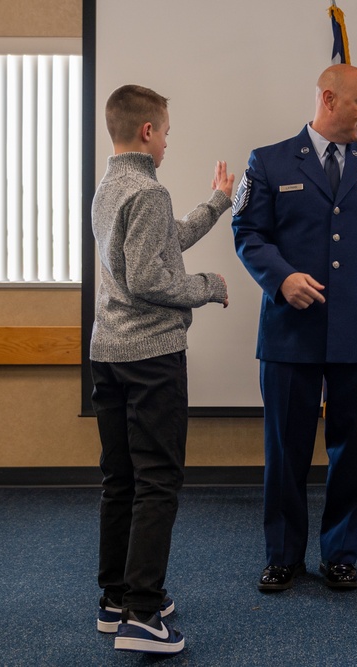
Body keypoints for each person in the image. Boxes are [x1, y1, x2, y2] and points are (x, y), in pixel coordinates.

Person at [232, 64, 357, 592]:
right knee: (285, 450)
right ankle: (283, 555)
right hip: (291, 329)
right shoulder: (267, 161)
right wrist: (281, 277)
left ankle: (340, 553)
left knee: (351, 449)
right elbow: (247, 232)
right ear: (329, 99)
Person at [90, 84, 234, 654]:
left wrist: (216, 202)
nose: (169, 141)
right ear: (148, 131)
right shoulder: (148, 191)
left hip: (110, 355)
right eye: (168, 132)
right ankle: (143, 615)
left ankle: (115, 598)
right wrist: (209, 286)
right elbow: (154, 279)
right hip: (151, 359)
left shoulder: (109, 186)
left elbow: (162, 245)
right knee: (157, 482)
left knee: (121, 479)